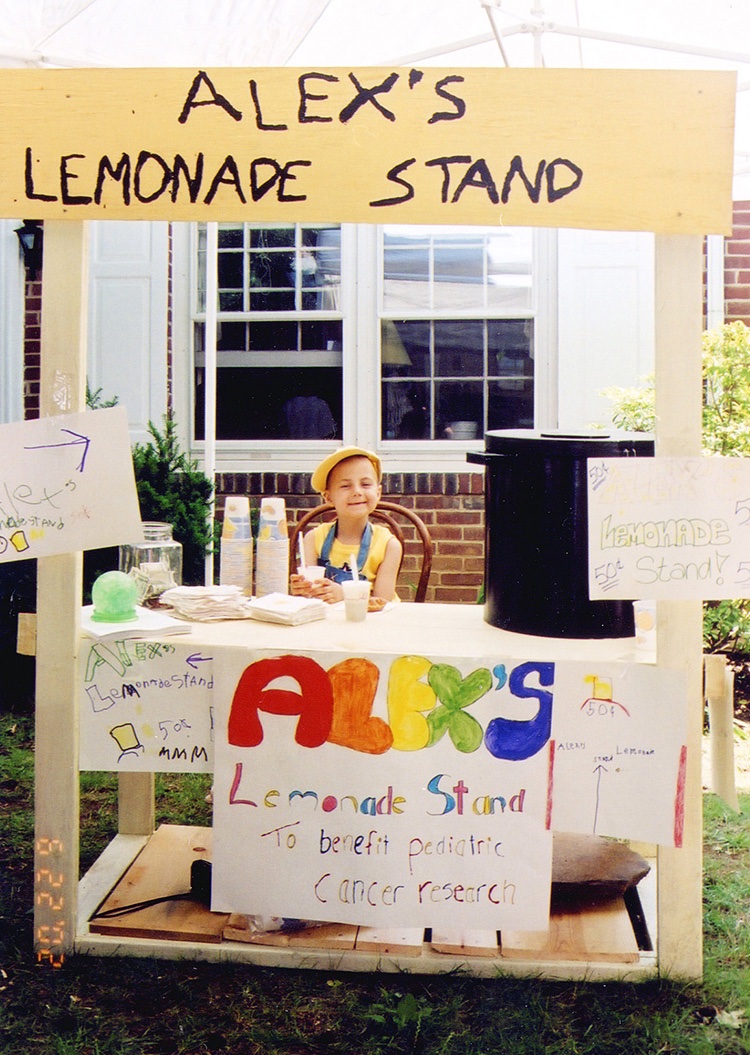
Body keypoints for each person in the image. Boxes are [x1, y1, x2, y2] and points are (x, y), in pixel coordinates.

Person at [290, 446, 402, 604]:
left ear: (378, 493)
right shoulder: (313, 539)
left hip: (369, 624)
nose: (357, 491)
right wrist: (303, 590)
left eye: (365, 484)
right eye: (345, 486)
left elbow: (382, 604)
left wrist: (346, 595)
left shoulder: (388, 546)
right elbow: (309, 599)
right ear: (328, 497)